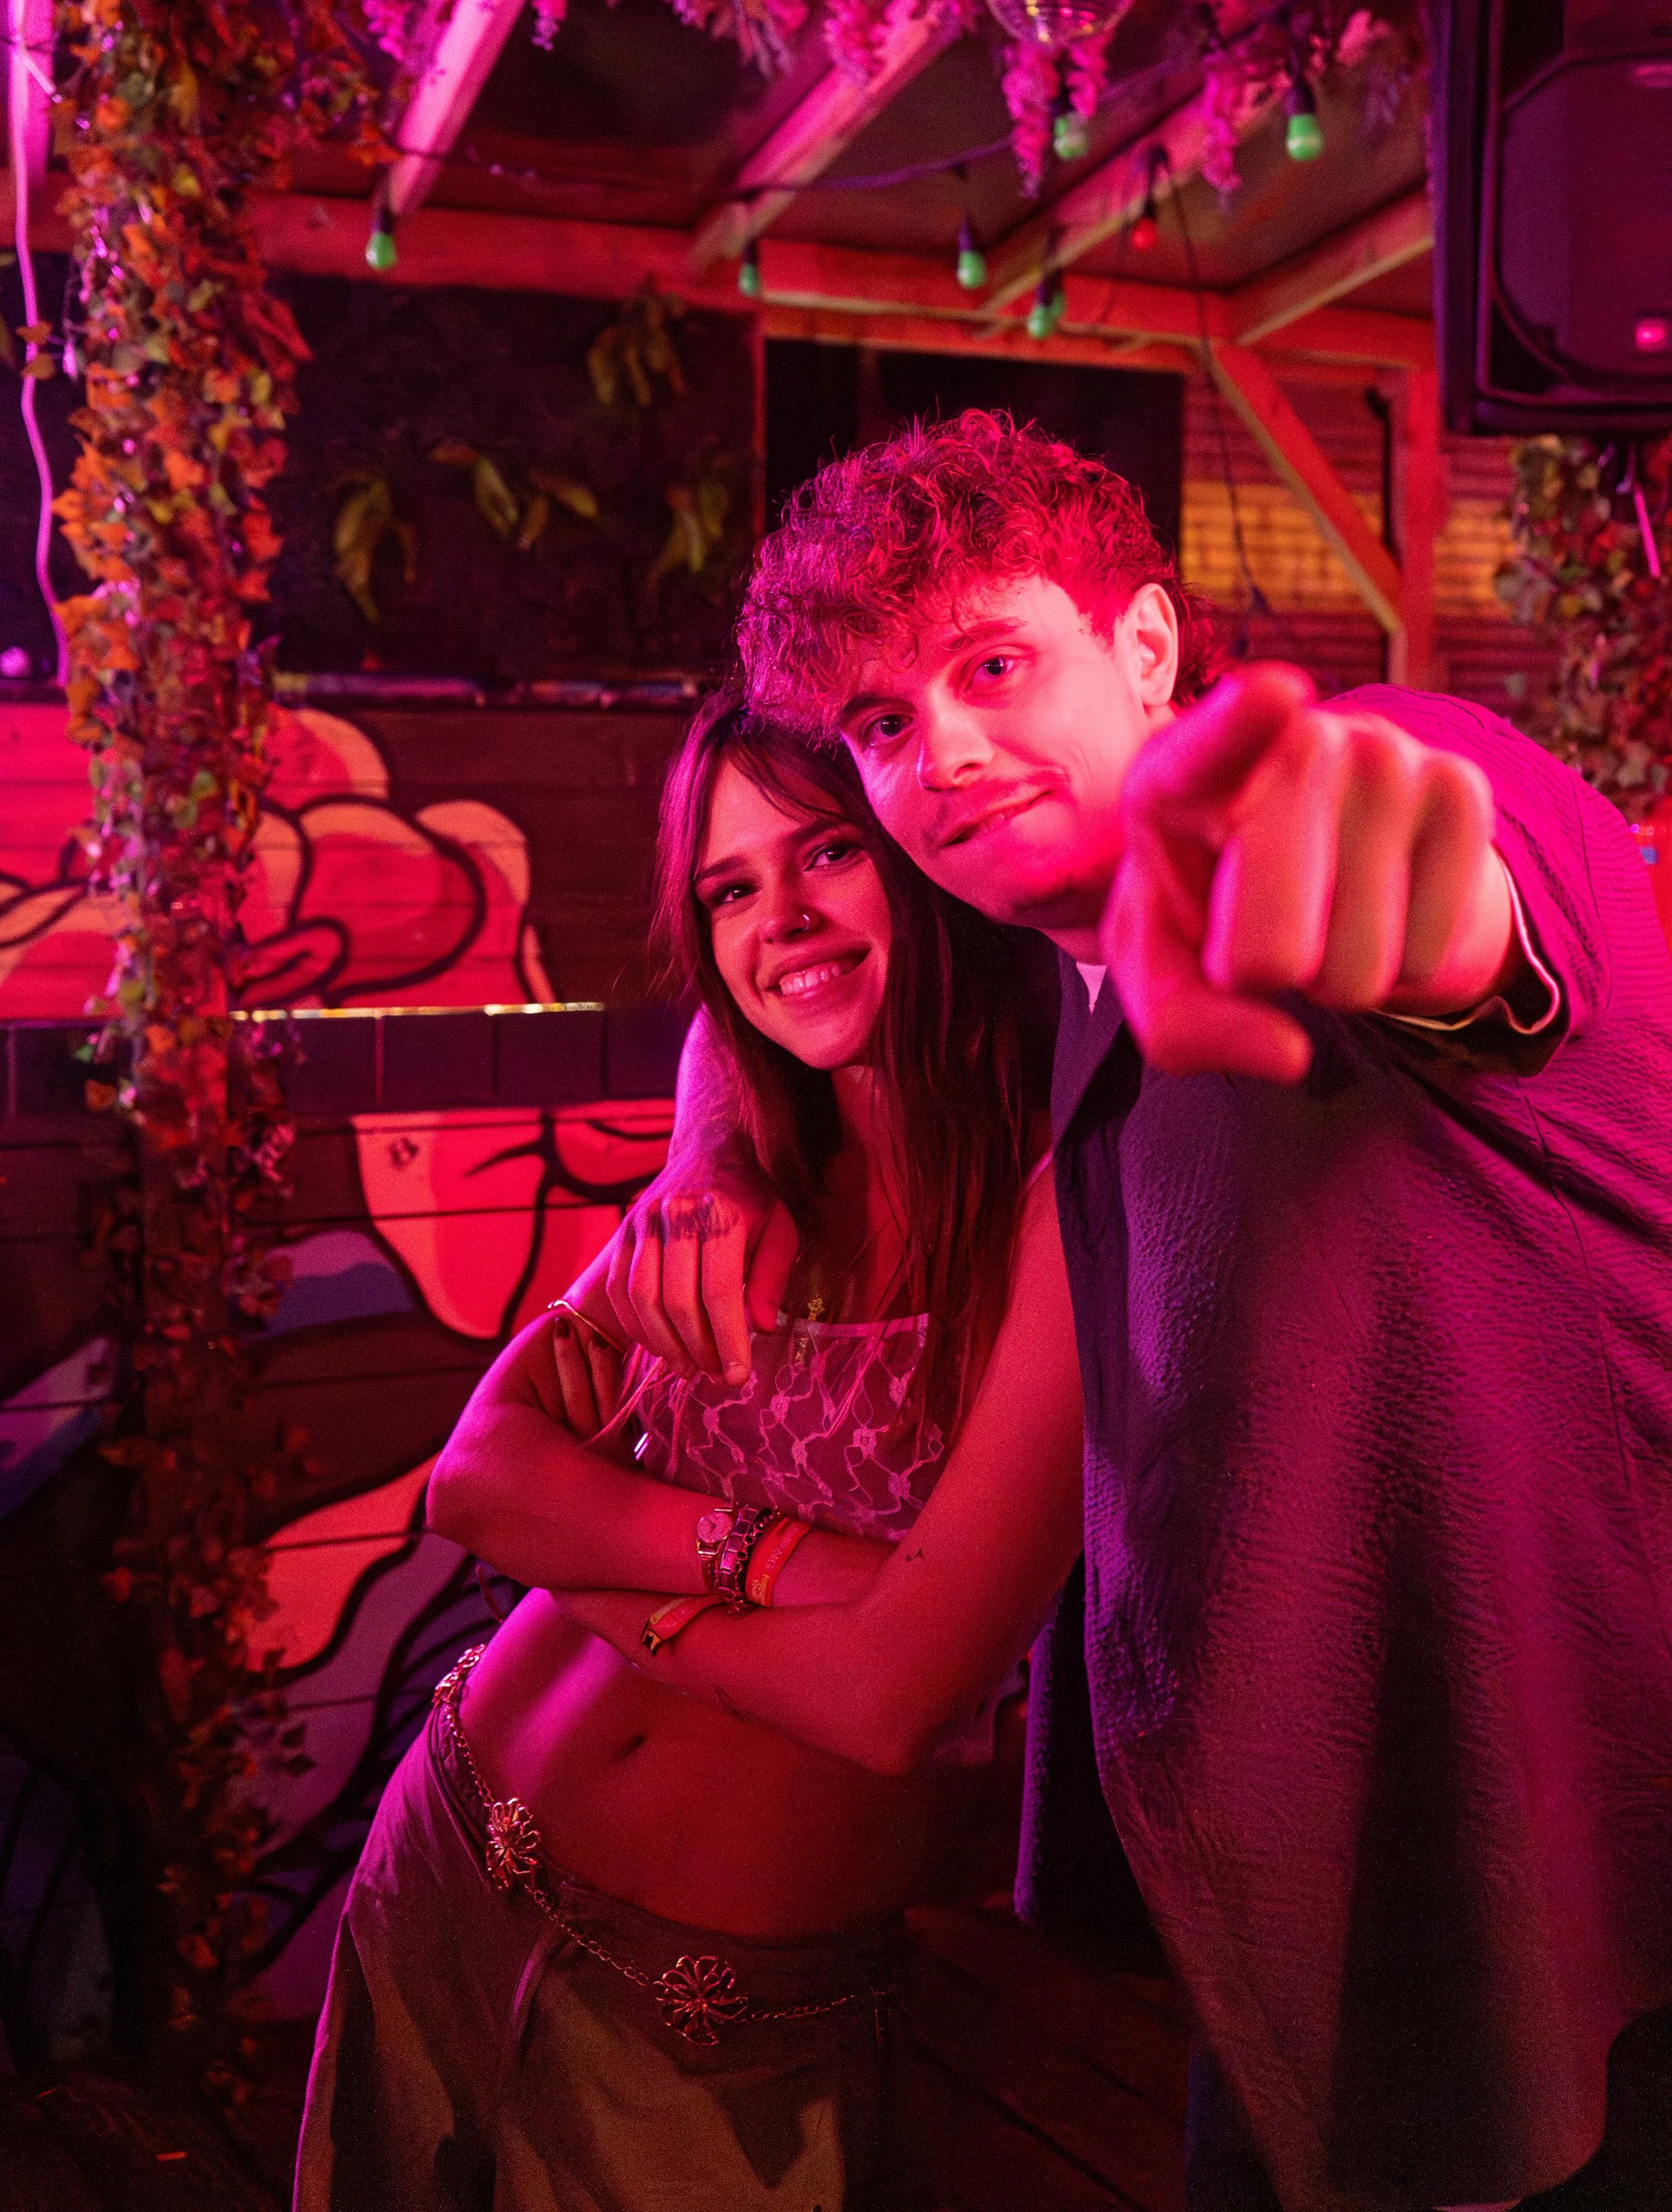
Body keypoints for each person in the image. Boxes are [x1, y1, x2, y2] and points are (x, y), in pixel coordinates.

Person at [574, 411, 1672, 2212]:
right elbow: (760, 979)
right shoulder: (1053, 974)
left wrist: (1372, 865)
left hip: (1573, 1922)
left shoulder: (1377, 783)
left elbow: (1441, 879)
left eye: (991, 662)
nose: (941, 750)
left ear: (1146, 646)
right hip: (1294, 1947)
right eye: (881, 723)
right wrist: (712, 1149)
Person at [291, 690, 1087, 2212]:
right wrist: (776, 1562)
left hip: (707, 2011)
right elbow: (477, 1475)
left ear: (922, 852)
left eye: (826, 853)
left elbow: (890, 1707)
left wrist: (608, 1577)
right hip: (445, 1851)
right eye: (728, 889)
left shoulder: (1059, 1205)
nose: (779, 917)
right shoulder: (741, 1172)